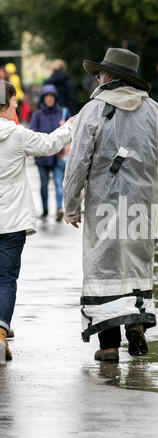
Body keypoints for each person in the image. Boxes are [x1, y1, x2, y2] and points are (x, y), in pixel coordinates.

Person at [63, 48, 158, 362]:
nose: (96, 78)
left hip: (103, 205)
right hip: (142, 205)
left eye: (99, 73)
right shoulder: (155, 112)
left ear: (108, 77)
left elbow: (77, 163)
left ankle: (108, 345)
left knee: (103, 269)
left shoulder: (92, 112)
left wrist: (71, 205)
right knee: (136, 266)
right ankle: (137, 325)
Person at [0, 80, 75, 361]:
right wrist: (70, 126)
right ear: (5, 106)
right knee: (6, 278)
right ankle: (1, 332)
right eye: (14, 101)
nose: (17, 105)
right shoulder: (17, 135)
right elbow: (49, 144)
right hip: (12, 219)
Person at [30, 84, 72, 221]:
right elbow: (32, 132)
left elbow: (72, 129)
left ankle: (59, 208)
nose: (49, 99)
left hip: (58, 156)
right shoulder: (37, 114)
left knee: (59, 183)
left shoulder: (62, 112)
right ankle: (45, 210)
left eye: (51, 96)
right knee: (43, 185)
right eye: (47, 96)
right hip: (42, 157)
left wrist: (63, 126)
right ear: (43, 98)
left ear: (55, 98)